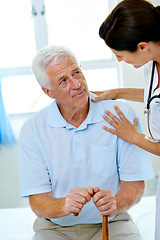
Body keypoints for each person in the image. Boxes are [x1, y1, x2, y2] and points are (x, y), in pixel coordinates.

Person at [19, 45, 154, 240]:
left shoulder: (120, 115)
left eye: (77, 73)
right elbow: (38, 202)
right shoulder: (33, 129)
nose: (76, 84)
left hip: (113, 223)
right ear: (48, 91)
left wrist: (116, 202)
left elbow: (135, 186)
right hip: (55, 229)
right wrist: (64, 204)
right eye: (63, 81)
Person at [91, 0, 160, 239]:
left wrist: (132, 136)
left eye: (120, 55)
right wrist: (118, 92)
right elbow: (155, 96)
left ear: (141, 46)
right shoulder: (152, 64)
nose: (120, 60)